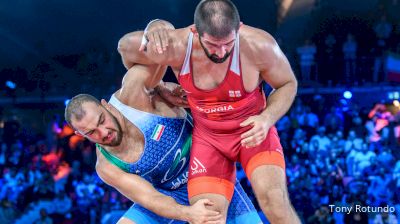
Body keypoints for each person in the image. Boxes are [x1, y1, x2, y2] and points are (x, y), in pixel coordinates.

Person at [117, 0, 300, 223]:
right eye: (213, 45)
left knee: (275, 202)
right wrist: (153, 29)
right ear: (196, 32)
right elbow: (125, 47)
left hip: (253, 132)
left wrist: (267, 118)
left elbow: (287, 83)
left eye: (228, 44)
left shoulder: (258, 44)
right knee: (207, 217)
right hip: (209, 140)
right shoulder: (178, 45)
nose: (221, 52)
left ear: (238, 28)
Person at [65, 62, 262, 223]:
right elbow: (150, 198)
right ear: (80, 134)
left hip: (206, 173)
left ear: (105, 105)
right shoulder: (107, 165)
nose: (104, 132)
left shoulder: (132, 97)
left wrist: (158, 83)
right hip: (167, 194)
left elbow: (151, 54)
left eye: (102, 120)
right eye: (91, 132)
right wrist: (188, 213)